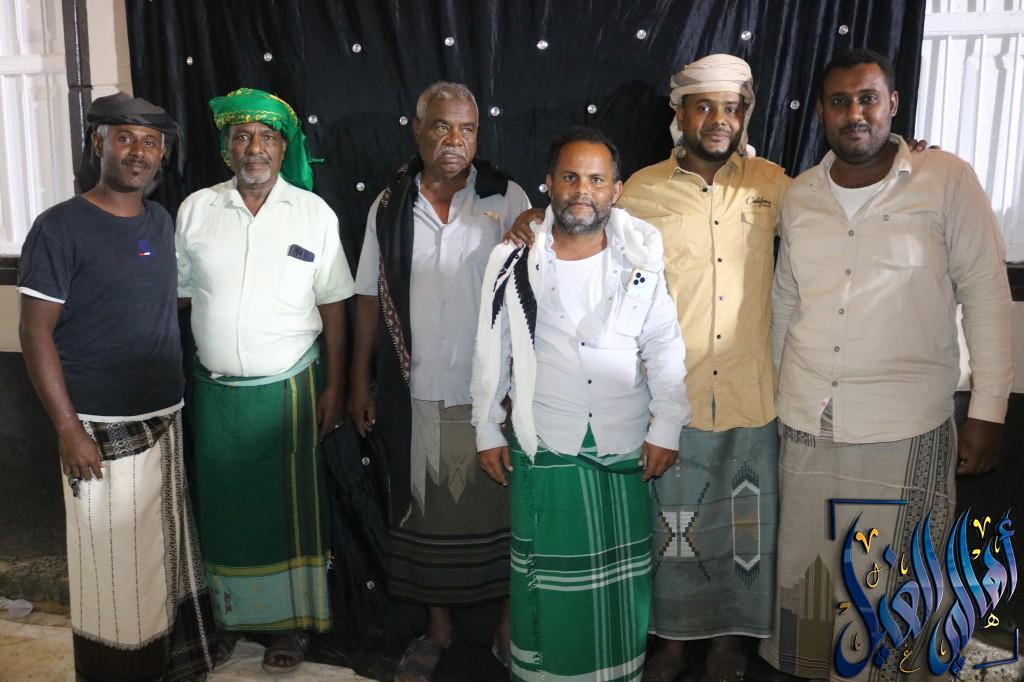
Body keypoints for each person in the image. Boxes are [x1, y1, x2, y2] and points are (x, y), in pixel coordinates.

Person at [760, 49, 1012, 681]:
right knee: (812, 579)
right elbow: (785, 301)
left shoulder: (945, 178)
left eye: (868, 98)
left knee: (897, 582)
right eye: (839, 101)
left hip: (905, 425)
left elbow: (986, 293)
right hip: (808, 420)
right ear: (821, 113)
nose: (855, 113)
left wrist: (988, 412)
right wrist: (774, 400)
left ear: (893, 104)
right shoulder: (800, 194)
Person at [472, 127, 690, 680]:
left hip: (623, 444)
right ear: (549, 183)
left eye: (596, 179)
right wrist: (487, 429)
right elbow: (491, 349)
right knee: (546, 589)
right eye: (570, 177)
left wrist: (667, 424)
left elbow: (663, 343)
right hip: (547, 441)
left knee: (620, 597)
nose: (582, 190)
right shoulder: (512, 257)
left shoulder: (641, 250)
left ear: (616, 189)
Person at [18, 92, 213, 681]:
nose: (139, 152)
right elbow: (34, 332)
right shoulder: (59, 227)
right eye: (124, 137)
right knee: (110, 582)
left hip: (165, 420)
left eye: (151, 142)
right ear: (98, 142)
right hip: (98, 431)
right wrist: (68, 429)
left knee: (158, 566)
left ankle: (162, 669)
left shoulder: (160, 221)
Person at [349, 81, 531, 679]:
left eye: (467, 129)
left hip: (494, 395)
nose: (455, 140)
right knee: (424, 518)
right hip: (417, 388)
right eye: (442, 126)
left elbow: (541, 284)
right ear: (418, 129)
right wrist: (360, 382)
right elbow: (368, 296)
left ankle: (507, 626)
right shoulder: (390, 205)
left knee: (505, 516)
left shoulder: (506, 197)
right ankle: (439, 630)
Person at [617, 55, 787, 682]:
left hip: (749, 393)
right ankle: (669, 643)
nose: (719, 120)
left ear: (745, 116)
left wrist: (914, 160)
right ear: (680, 113)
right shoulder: (639, 191)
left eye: (732, 108)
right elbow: (589, 241)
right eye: (705, 106)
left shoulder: (775, 184)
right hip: (673, 397)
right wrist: (535, 219)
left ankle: (728, 645)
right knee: (673, 530)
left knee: (745, 530)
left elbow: (841, 203)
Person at [176, 87, 354, 674]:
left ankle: (291, 628)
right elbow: (178, 296)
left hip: (291, 390)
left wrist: (335, 388)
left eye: (267, 137)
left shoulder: (313, 213)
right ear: (226, 148)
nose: (254, 147)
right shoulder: (196, 209)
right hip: (216, 393)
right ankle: (229, 621)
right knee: (223, 510)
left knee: (289, 514)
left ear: (283, 147)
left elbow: (334, 305)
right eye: (242, 136)